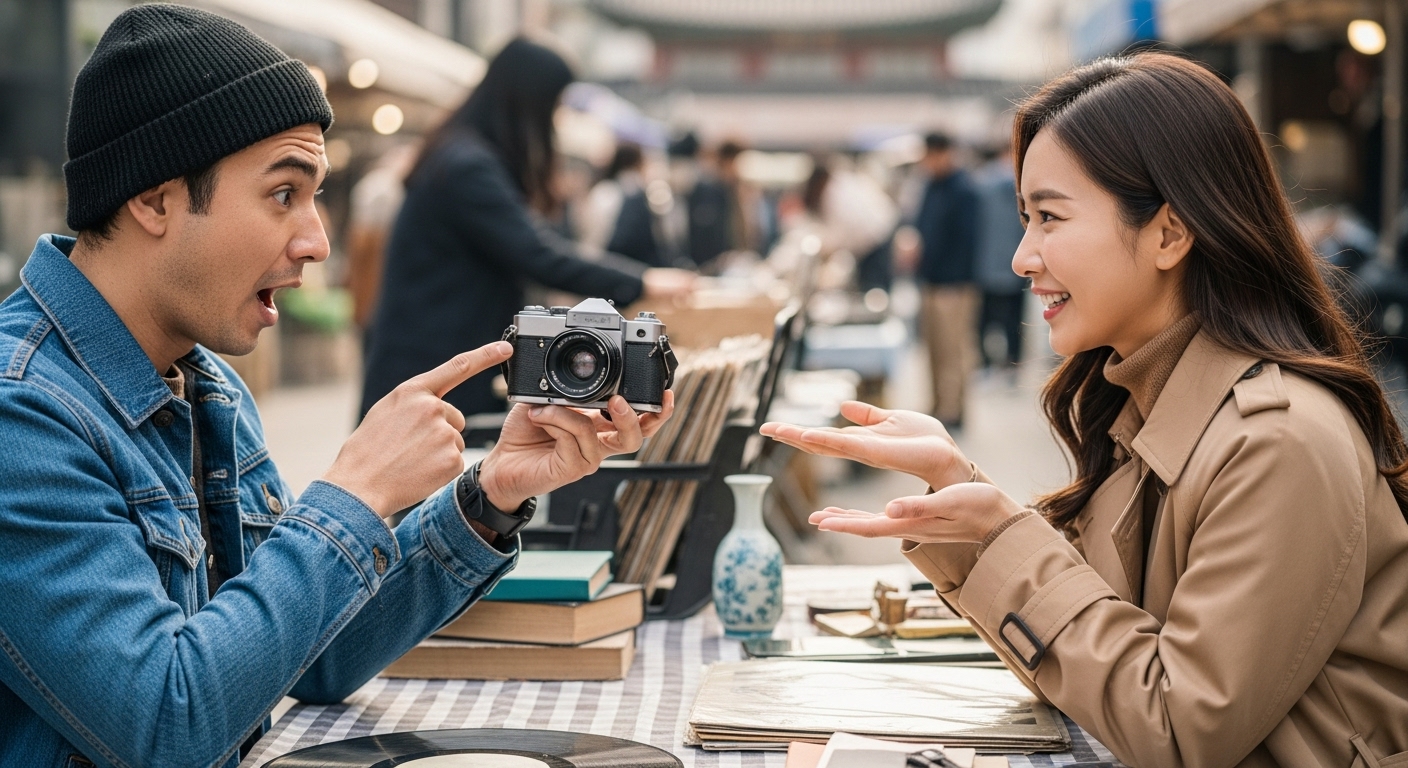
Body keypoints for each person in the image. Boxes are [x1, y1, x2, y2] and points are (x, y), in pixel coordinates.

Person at [0, 8, 673, 767]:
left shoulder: (205, 385)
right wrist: (350, 500)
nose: (317, 241)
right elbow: (169, 723)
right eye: (283, 193)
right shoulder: (20, 416)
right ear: (154, 199)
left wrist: (490, 496)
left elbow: (310, 659)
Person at [763, 53, 1408, 766]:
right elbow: (1089, 675)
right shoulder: (1149, 406)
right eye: (1024, 218)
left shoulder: (1279, 441)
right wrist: (961, 497)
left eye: (1049, 218)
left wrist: (1000, 533)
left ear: (1169, 232)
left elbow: (1177, 728)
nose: (1021, 257)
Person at [360, 39, 693, 419]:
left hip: (432, 360)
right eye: (554, 106)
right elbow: (538, 254)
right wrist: (644, 281)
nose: (554, 122)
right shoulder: (467, 166)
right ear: (529, 101)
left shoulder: (462, 153)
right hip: (433, 367)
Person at [914, 132, 980, 429]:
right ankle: (938, 403)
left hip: (955, 284)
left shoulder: (964, 189)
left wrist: (957, 281)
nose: (928, 162)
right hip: (930, 280)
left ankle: (953, 410)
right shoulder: (930, 186)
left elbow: (968, 241)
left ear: (946, 153)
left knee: (953, 350)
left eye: (932, 155)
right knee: (933, 350)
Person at [973, 143, 1027, 372]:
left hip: (985, 264)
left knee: (985, 318)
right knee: (1014, 320)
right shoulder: (1023, 184)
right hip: (1015, 263)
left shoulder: (981, 183)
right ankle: (1012, 361)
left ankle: (986, 362)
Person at [577, 142, 665, 267]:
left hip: (597, 262)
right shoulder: (637, 194)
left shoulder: (602, 190)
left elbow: (587, 231)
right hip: (628, 266)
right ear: (638, 163)